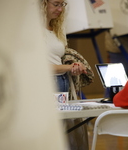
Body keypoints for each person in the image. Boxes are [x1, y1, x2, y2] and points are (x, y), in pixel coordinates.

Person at [40, 0, 94, 149]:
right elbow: (39, 67)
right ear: (42, 3)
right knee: (48, 130)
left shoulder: (57, 28)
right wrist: (68, 67)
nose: (60, 9)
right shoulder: (31, 30)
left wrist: (74, 66)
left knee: (62, 132)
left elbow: (59, 58)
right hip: (45, 84)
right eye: (56, 4)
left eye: (62, 5)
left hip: (63, 81)